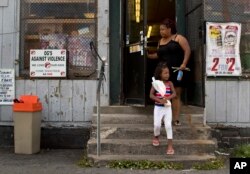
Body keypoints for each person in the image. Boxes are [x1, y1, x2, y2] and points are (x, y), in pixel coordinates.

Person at [147, 18, 191, 126]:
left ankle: (175, 119)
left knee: (175, 95)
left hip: (177, 70)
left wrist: (184, 64)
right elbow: (158, 55)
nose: (161, 31)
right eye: (160, 30)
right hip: (163, 72)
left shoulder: (179, 38)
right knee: (162, 94)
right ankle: (162, 119)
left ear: (169, 29)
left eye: (163, 29)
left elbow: (187, 50)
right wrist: (148, 55)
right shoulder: (160, 41)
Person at [149, 63, 176, 155]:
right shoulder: (156, 84)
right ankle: (156, 136)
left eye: (168, 73)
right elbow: (151, 95)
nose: (167, 75)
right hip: (158, 108)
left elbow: (174, 94)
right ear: (160, 74)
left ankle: (170, 146)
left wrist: (167, 99)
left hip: (168, 108)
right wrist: (159, 100)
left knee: (168, 126)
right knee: (157, 125)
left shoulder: (170, 83)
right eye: (165, 73)